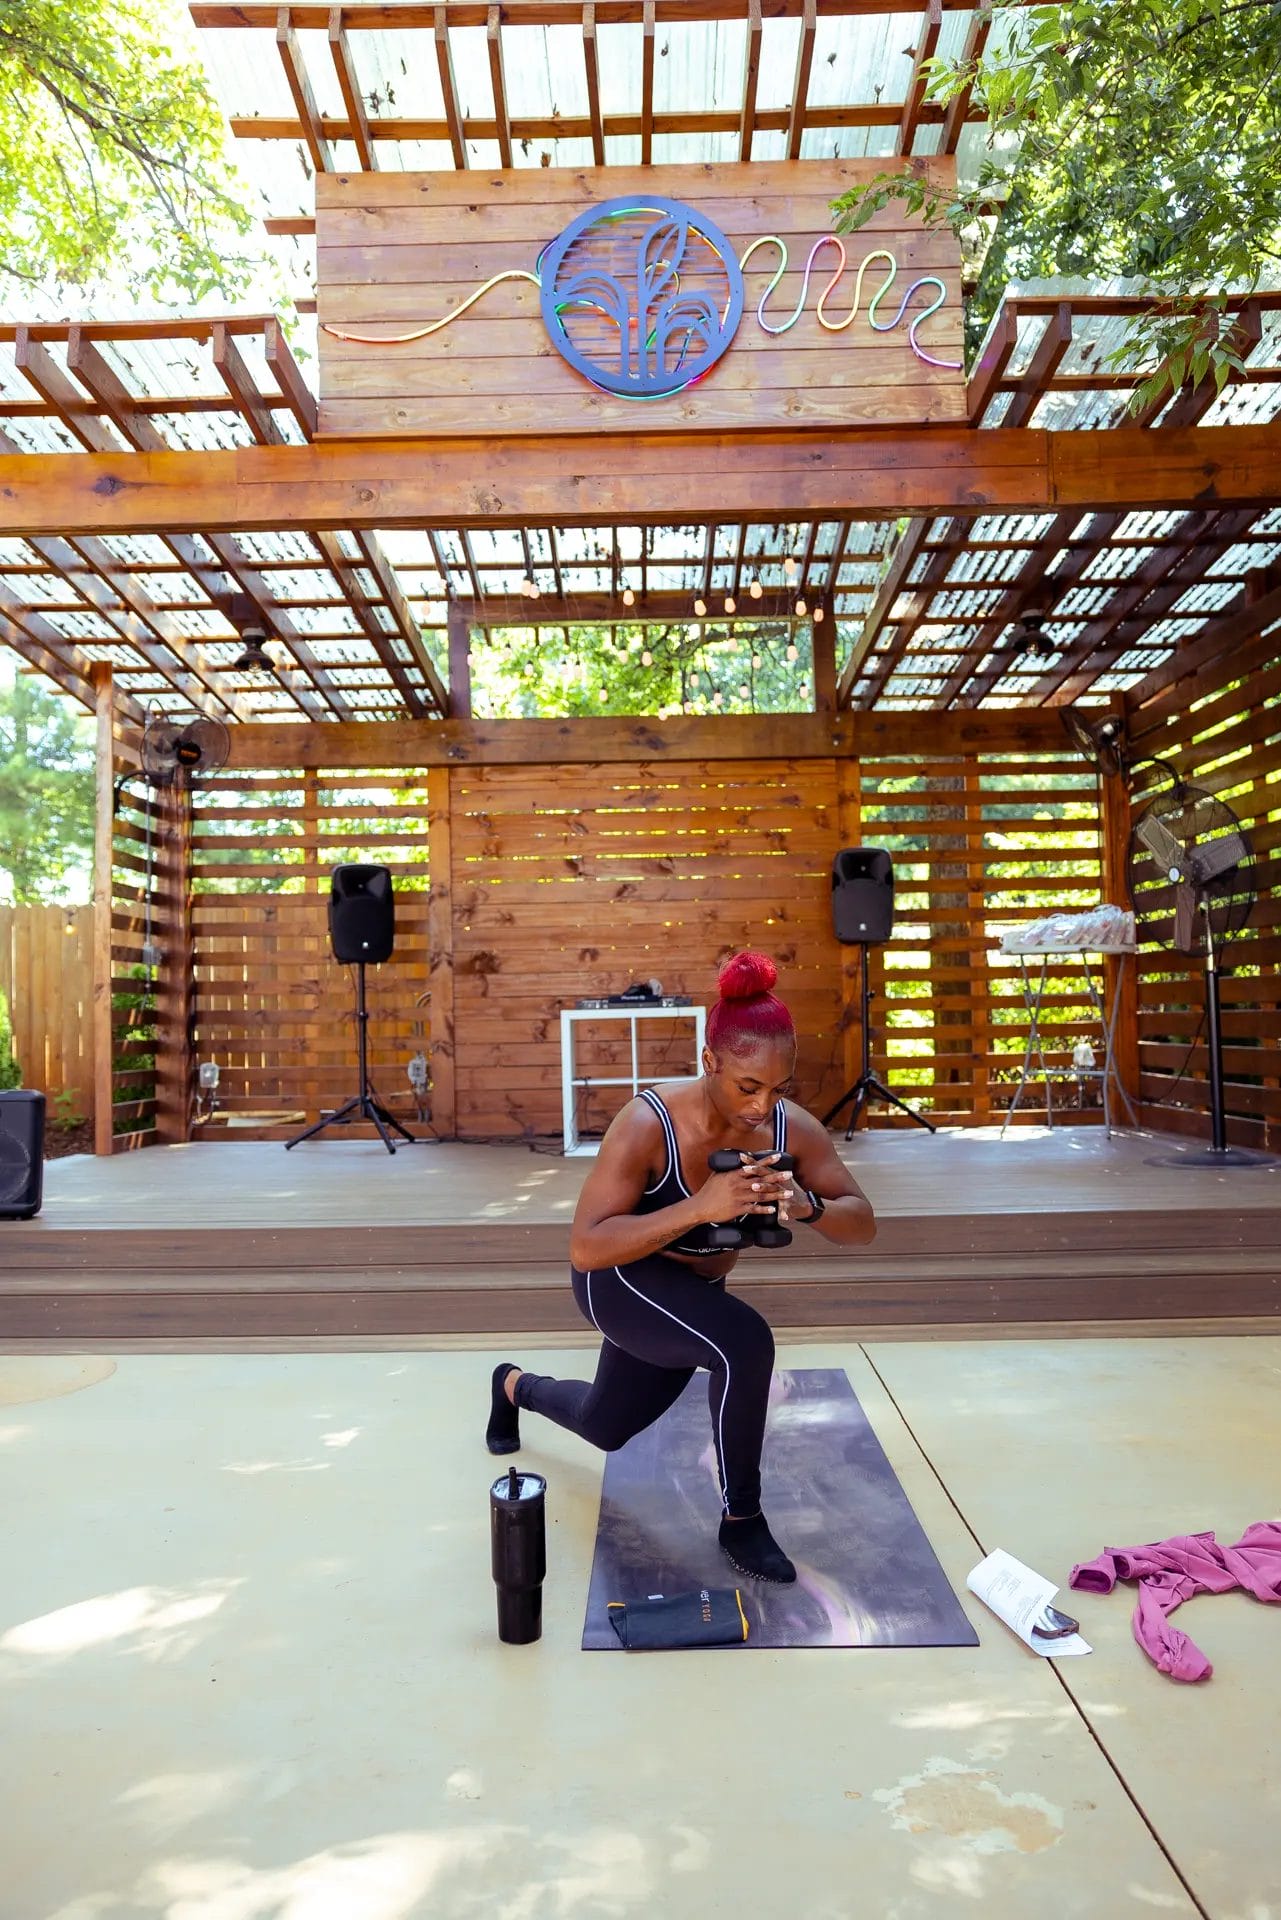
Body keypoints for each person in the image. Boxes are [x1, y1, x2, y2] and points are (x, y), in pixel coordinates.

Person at [485, 950, 876, 1584]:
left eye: (778, 1088)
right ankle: (742, 1521)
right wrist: (700, 1208)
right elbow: (585, 1246)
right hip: (620, 1280)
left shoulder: (789, 1129)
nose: (760, 1106)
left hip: (692, 1296)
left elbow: (861, 1221)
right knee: (743, 1341)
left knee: (605, 1427)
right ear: (710, 1062)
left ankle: (511, 1386)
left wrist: (806, 1207)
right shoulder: (646, 1123)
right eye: (748, 1086)